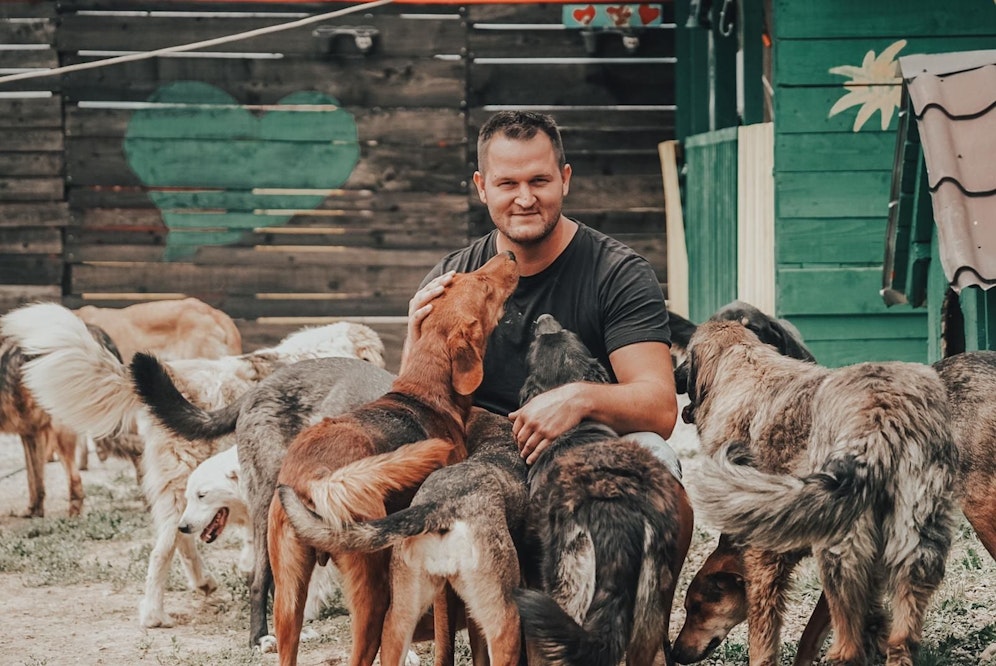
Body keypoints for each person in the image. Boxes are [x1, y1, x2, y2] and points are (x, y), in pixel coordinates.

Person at [402, 110, 679, 474]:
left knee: (653, 452)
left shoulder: (619, 274)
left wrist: (578, 398)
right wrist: (413, 338)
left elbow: (660, 409)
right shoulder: (451, 281)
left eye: (539, 180)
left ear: (564, 179)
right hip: (483, 464)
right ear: (482, 187)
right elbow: (418, 408)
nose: (525, 198)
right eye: (507, 184)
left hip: (585, 456)